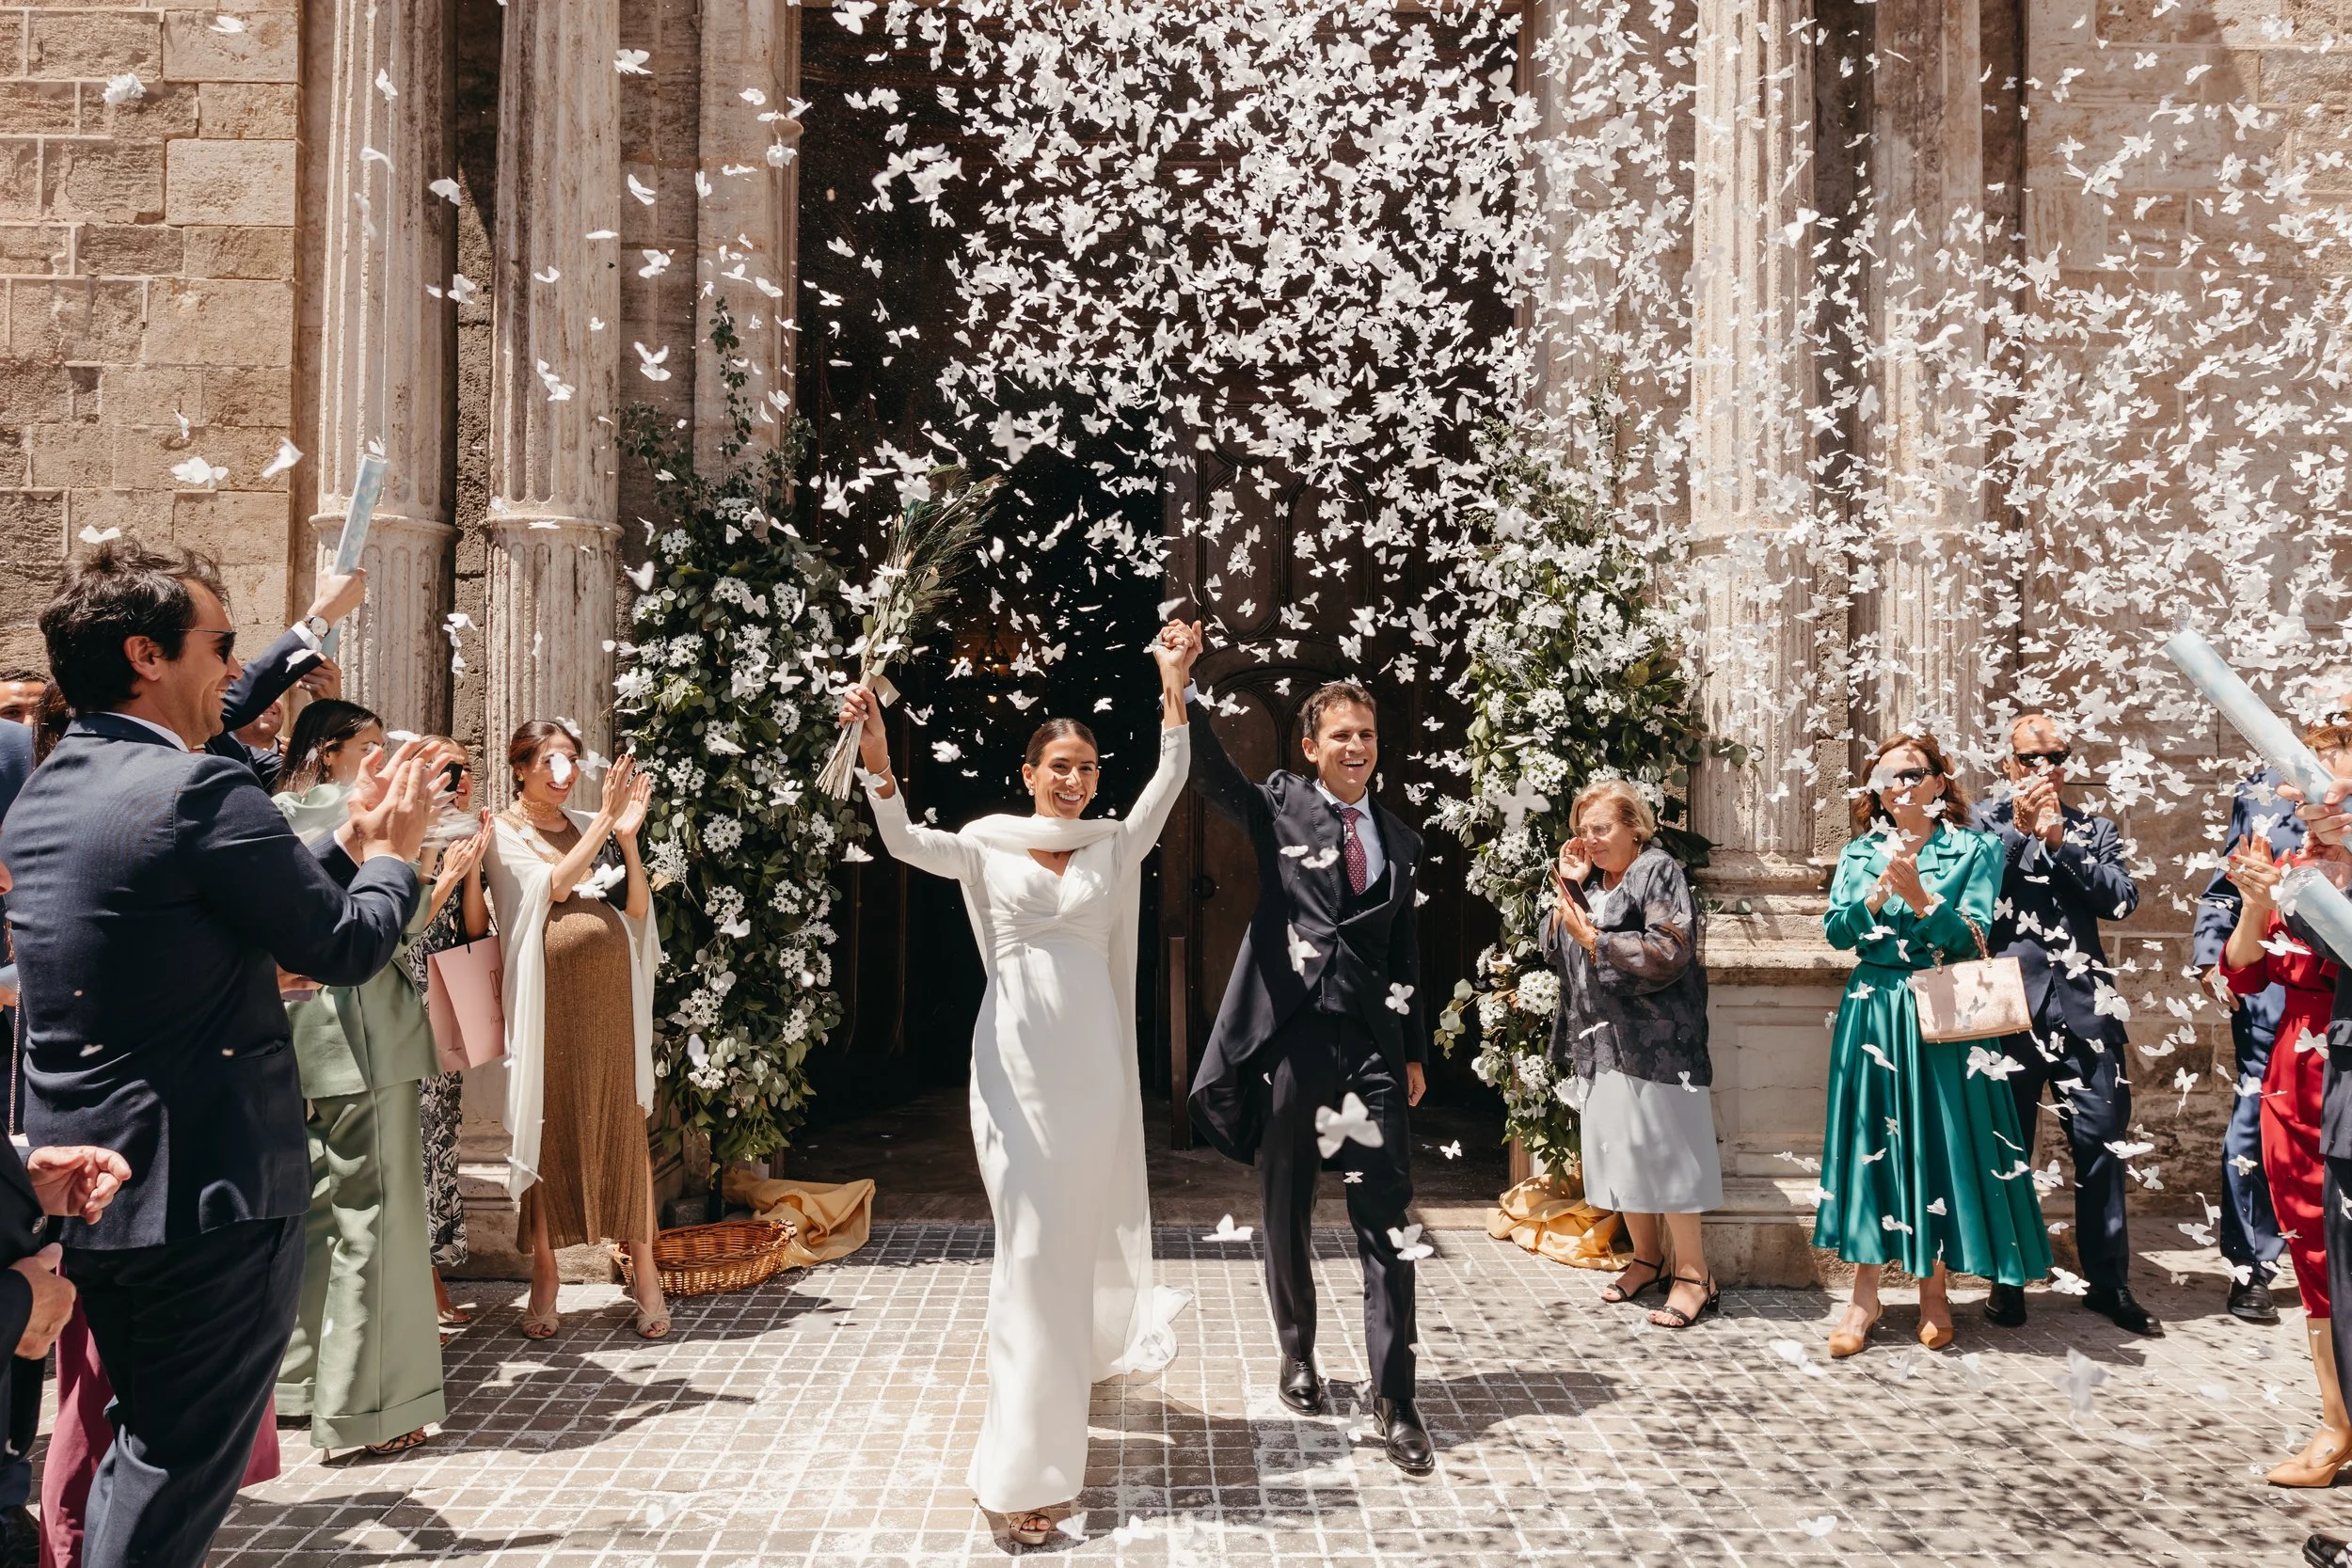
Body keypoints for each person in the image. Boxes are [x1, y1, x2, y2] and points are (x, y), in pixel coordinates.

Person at [1, 537, 432, 1568]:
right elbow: (339, 944)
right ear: (147, 655)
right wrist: (395, 858)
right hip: (210, 1189)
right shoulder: (200, 789)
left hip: (92, 1188)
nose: (236, 670)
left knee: (137, 1449)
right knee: (177, 1463)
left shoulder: (50, 792)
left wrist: (339, 846)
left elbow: (190, 897)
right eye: (221, 644)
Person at [839, 630, 1197, 1547]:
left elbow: (1167, 785)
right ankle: (1017, 1474)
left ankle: (1043, 1441)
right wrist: (879, 761)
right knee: (1031, 1255)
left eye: (1084, 767)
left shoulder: (1112, 846)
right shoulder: (987, 845)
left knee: (1062, 1256)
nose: (1073, 780)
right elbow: (904, 841)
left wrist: (1172, 687)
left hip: (1093, 1078)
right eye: (1058, 766)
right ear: (1028, 770)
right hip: (1013, 1071)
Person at [1175, 624, 1433, 1477]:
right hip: (1294, 1043)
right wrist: (1182, 686)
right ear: (1312, 745)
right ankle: (1298, 1353)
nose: (1355, 746)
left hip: (1369, 1054)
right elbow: (1211, 779)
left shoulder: (1400, 839)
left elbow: (1404, 955)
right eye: (1340, 735)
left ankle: (1396, 1396)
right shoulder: (1281, 800)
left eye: (1365, 734)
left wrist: (1414, 1049)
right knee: (1286, 1208)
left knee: (1384, 1221)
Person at [272, 703, 491, 1457]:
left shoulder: (273, 812)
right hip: (368, 1036)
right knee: (381, 1224)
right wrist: (430, 872)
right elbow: (385, 935)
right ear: (332, 755)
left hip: (294, 1038)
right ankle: (371, 1410)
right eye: (373, 745)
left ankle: (298, 1385)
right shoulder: (392, 825)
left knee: (313, 1216)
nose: (388, 760)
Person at [1815, 734, 2051, 1357]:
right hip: (1872, 1008)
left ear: (1940, 783)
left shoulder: (1974, 847)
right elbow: (1838, 931)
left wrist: (1922, 901)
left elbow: (1975, 938)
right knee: (1873, 1145)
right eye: (1886, 777)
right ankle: (1862, 1297)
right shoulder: (1859, 850)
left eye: (1913, 773)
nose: (1900, 785)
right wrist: (1875, 897)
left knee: (1935, 1143)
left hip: (1939, 1006)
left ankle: (1933, 1288)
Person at [1969, 714, 2156, 1336]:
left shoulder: (2095, 828)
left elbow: (2122, 898)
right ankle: (2006, 1278)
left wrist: (2059, 843)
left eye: (2056, 757)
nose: (2044, 769)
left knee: (2102, 1142)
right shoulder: (1982, 826)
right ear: (2007, 763)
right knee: (2007, 1147)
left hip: (2085, 1012)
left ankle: (2109, 1283)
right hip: (2008, 1009)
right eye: (2030, 758)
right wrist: (2023, 838)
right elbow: (1971, 899)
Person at [482, 723, 666, 1342]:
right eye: (552, 759)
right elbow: (551, 886)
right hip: (548, 1004)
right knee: (550, 1124)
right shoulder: (502, 832)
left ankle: (645, 1271)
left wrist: (628, 839)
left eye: (572, 759)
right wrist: (601, 824)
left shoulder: (596, 823)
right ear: (522, 765)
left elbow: (636, 910)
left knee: (623, 1119)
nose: (565, 772)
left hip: (610, 997)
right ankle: (546, 1274)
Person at [2197, 669, 2352, 1324]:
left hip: (2335, 1000)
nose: (2332, 746)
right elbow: (2227, 883)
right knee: (2252, 1131)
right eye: (2326, 733)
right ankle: (2252, 1265)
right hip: (2276, 997)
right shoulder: (2261, 796)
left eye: (2344, 734)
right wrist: (2212, 951)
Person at [2219, 723, 2352, 1485]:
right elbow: (2245, 969)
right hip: (2294, 1077)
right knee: (2313, 1258)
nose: (2316, 815)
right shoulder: (2293, 871)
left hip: (2349, 1066)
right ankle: (2337, 1422)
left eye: (2334, 802)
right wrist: (2251, 904)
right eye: (2309, 802)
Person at [1537, 778, 1719, 1329]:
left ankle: (1694, 1276)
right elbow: (1554, 949)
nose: (1590, 840)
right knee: (1623, 1155)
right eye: (1582, 831)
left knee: (1669, 1156)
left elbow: (1671, 949)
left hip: (1659, 1044)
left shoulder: (1656, 869)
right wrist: (1571, 888)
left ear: (1634, 827)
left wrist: (1597, 942)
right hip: (1601, 1042)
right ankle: (1647, 1257)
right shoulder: (1591, 883)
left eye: (1602, 828)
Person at [402, 738, 491, 1326]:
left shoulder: (463, 840)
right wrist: (441, 867)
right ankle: (419, 1283)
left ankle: (430, 1271)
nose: (459, 781)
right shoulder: (398, 835)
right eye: (446, 770)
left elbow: (475, 930)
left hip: (444, 989)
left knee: (437, 1139)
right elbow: (397, 927)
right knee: (407, 1142)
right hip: (398, 991)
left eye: (466, 771)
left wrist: (473, 865)